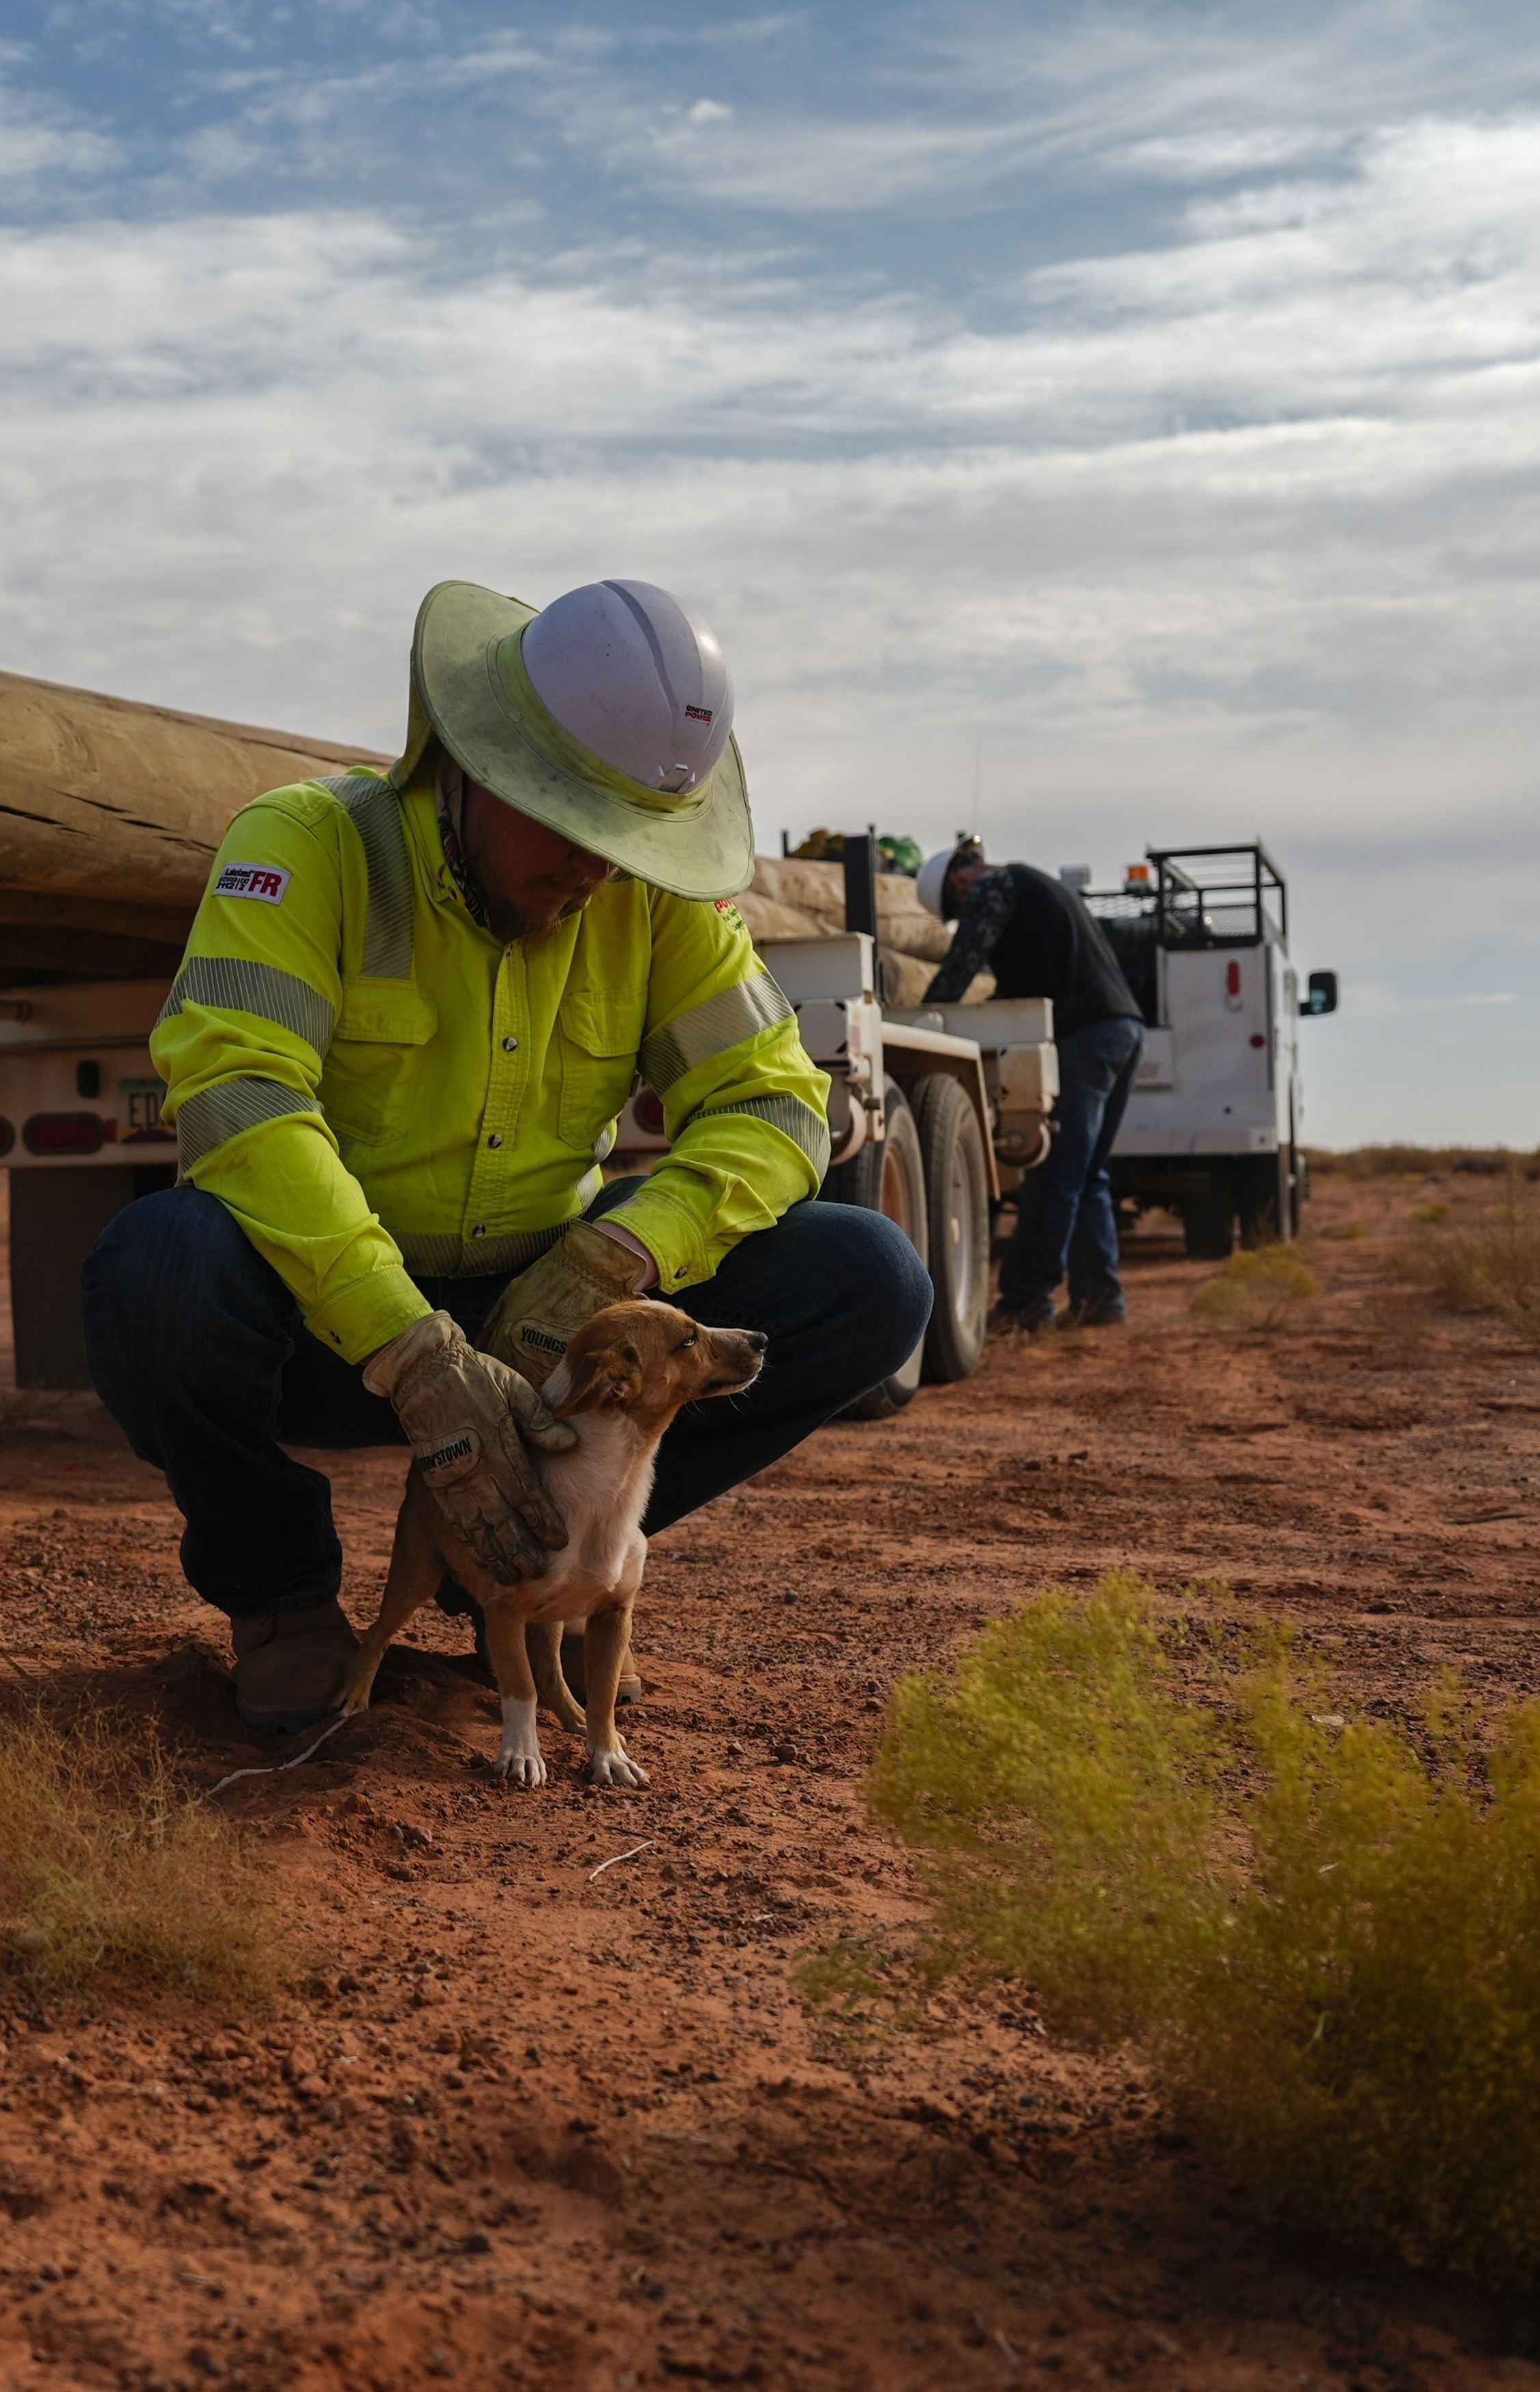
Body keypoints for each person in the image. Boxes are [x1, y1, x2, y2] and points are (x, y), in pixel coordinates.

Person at [80, 578, 932, 1734]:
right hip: (331, 1323)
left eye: (631, 844)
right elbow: (242, 1098)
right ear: (475, 766)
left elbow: (778, 1105)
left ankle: (547, 1573)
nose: (599, 871)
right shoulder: (308, 848)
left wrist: (616, 1260)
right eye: (578, 831)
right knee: (159, 1268)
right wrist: (414, 1355)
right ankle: (283, 1601)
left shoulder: (647, 900)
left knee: (870, 1278)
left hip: (546, 1324)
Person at [920, 835, 1147, 1330]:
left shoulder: (994, 886)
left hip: (1085, 1034)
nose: (964, 914)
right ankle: (1099, 1299)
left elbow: (962, 963)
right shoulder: (1037, 888)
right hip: (1124, 1029)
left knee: (1055, 1176)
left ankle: (1025, 1304)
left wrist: (925, 1019)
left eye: (956, 910)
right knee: (1088, 1176)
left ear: (959, 882)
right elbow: (1022, 978)